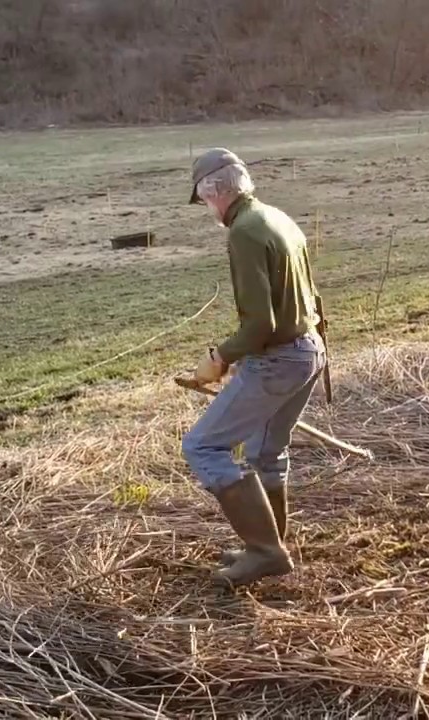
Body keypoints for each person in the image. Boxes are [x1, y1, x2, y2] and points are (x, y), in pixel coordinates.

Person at [181, 147, 327, 587]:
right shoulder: (276, 217)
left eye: (204, 199)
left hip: (278, 359)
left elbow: (260, 323)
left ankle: (264, 551)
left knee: (203, 447)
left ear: (215, 192)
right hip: (308, 350)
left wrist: (220, 358)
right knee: (266, 452)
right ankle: (271, 542)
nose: (207, 208)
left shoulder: (243, 231)